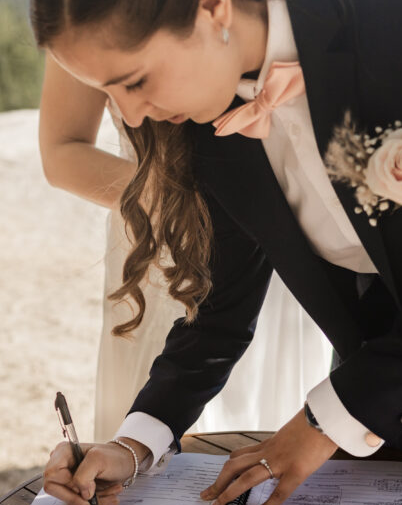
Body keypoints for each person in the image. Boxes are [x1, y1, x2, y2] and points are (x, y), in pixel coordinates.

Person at [33, 0, 402, 505]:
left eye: (136, 81)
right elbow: (221, 305)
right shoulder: (200, 119)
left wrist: (317, 425)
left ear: (212, 9)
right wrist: (133, 445)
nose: (132, 116)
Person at [38, 55, 332, 439]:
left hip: (285, 244)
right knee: (170, 404)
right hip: (165, 246)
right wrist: (190, 202)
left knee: (278, 413)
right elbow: (62, 151)